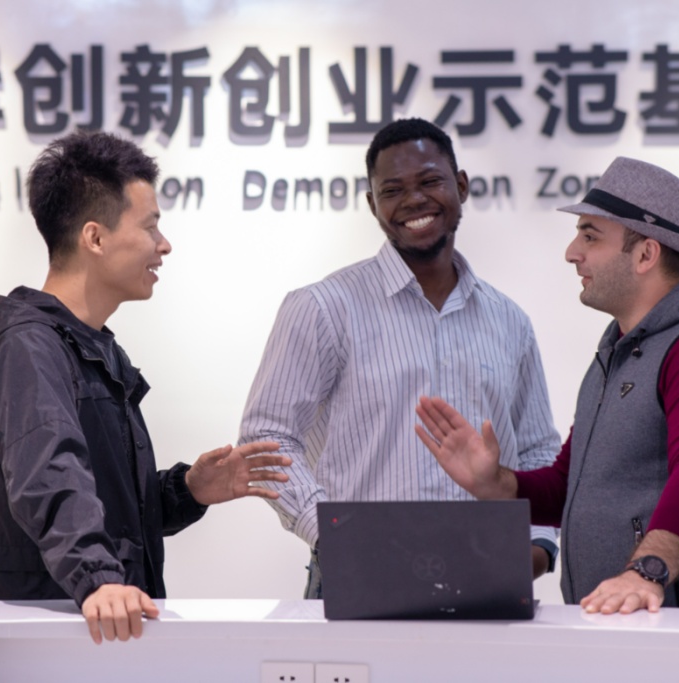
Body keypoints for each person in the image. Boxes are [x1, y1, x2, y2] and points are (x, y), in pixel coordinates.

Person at [0, 130, 291, 644]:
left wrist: (187, 491)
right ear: (95, 238)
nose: (164, 245)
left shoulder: (92, 344)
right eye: (150, 226)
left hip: (106, 634)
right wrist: (98, 580)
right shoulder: (27, 346)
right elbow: (49, 477)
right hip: (54, 643)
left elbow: (109, 503)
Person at [416, 157, 679, 614]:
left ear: (646, 254)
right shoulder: (618, 348)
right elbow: (571, 485)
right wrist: (498, 484)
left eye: (590, 236)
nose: (572, 252)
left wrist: (646, 572)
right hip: (619, 623)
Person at [238, 118, 561, 597]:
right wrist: (335, 537)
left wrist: (538, 545)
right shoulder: (323, 308)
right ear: (373, 205)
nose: (413, 200)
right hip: (358, 580)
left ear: (461, 186)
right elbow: (266, 438)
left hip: (487, 580)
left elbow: (537, 450)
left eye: (430, 181)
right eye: (392, 190)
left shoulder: (509, 320)